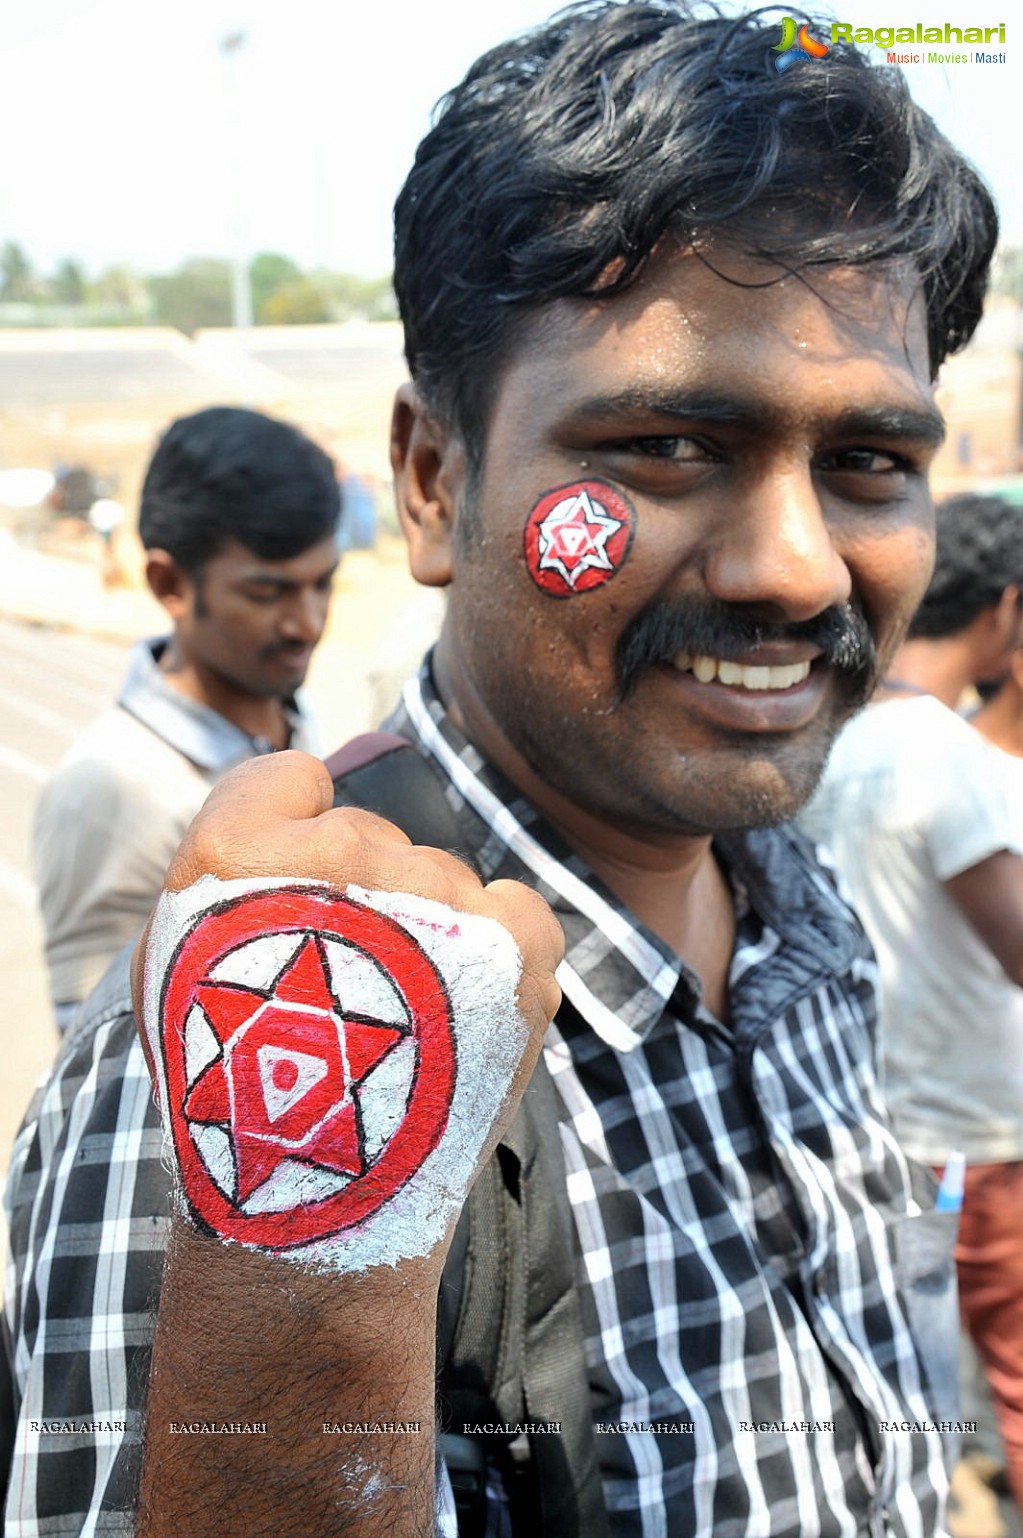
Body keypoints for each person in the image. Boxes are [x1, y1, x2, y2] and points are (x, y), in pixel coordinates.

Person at [2, 4, 999, 1535]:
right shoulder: (274, 1070)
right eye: (667, 444)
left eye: (868, 462)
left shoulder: (800, 915)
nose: (799, 568)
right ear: (428, 477)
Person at [800, 494, 1023, 1511]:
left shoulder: (826, 730)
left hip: (872, 1122)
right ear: (1007, 611)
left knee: (913, 1367)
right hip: (976, 1138)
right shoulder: (949, 755)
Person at [32, 405, 342, 1031]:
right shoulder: (105, 795)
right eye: (267, 592)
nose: (306, 623)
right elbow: (104, 1054)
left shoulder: (292, 721)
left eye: (323, 583)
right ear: (169, 583)